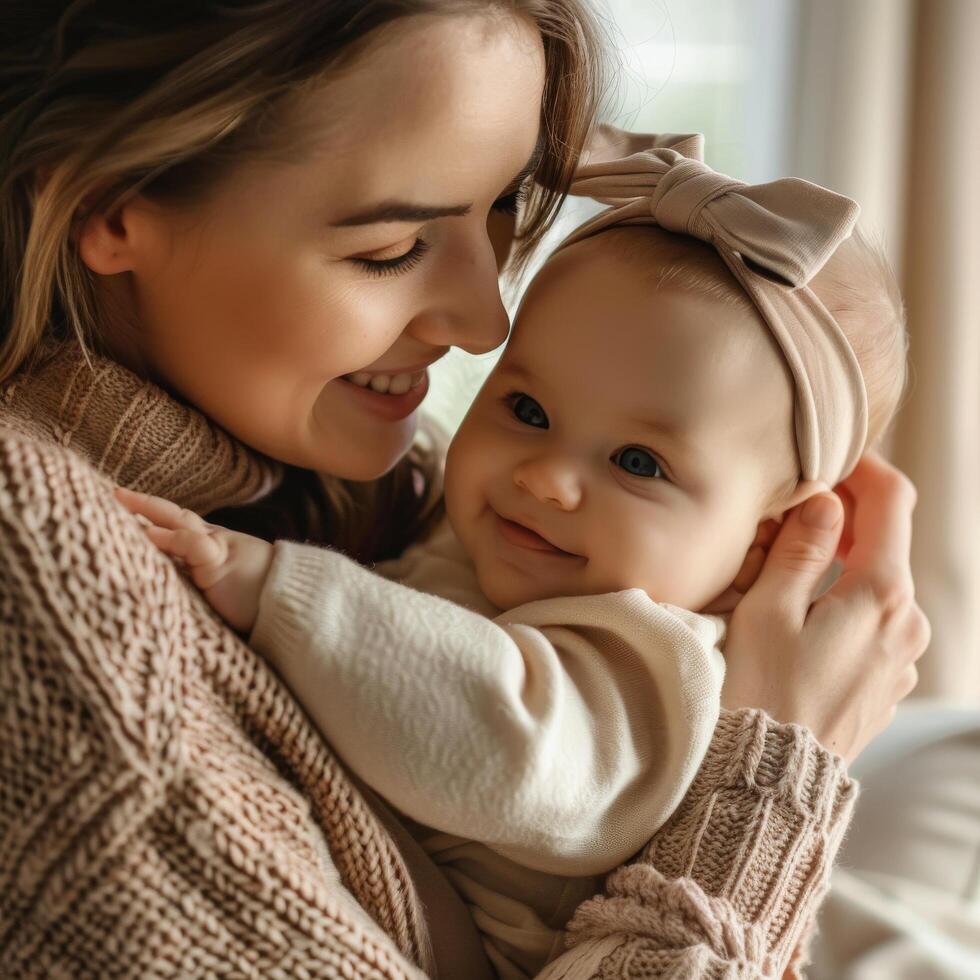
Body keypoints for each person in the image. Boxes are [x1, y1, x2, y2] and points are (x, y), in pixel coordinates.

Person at [0, 3, 927, 978]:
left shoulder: (370, 494)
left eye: (501, 214)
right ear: (112, 209)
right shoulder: (45, 562)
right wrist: (773, 776)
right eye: (389, 249)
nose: (486, 324)